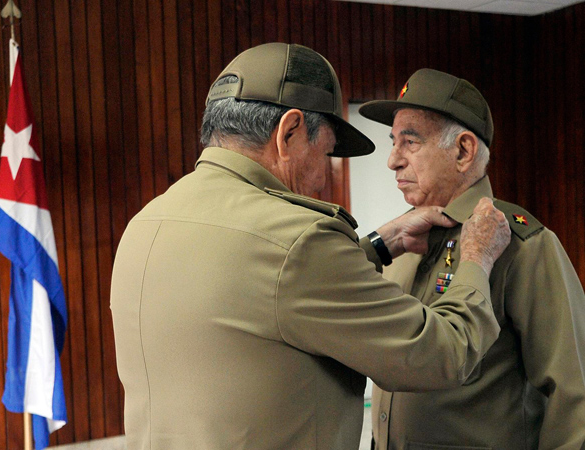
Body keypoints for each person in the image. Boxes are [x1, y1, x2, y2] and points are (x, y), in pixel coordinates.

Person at [110, 44, 511, 450]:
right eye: (326, 152)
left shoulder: (146, 223)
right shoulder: (298, 240)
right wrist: (477, 257)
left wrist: (377, 245)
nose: (324, 176)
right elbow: (441, 354)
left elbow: (262, 295)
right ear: (289, 132)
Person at [360, 68, 585, 450]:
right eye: (393, 142)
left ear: (463, 151)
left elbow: (573, 392)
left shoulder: (522, 243)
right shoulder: (403, 240)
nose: (393, 160)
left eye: (410, 142)